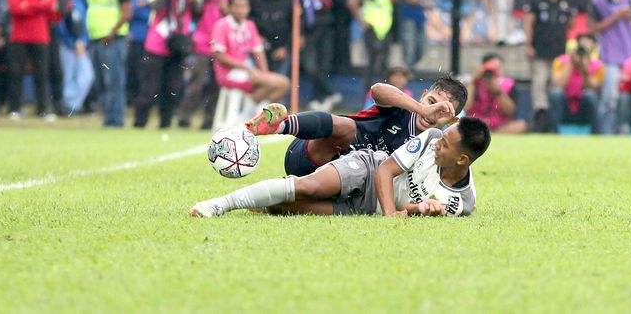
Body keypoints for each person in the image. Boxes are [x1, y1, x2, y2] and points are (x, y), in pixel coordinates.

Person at [189, 116, 490, 218]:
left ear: (462, 159)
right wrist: (390, 216)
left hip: (367, 208)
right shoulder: (433, 136)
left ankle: (268, 201)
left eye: (446, 146)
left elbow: (410, 211)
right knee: (307, 187)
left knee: (288, 208)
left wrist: (419, 210)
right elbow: (385, 171)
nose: (439, 143)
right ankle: (219, 205)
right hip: (367, 169)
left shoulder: (462, 202)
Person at [246, 75, 467, 177]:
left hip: (338, 181)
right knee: (348, 128)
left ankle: (275, 198)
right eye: (431, 102)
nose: (433, 112)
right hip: (309, 152)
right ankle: (278, 126)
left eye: (443, 111)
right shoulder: (401, 108)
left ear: (452, 120)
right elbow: (378, 89)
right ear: (423, 96)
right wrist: (421, 110)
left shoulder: (435, 149)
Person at [134, 0, 203, 129]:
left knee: (172, 88)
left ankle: (165, 123)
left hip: (178, 44)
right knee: (148, 88)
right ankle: (139, 123)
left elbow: (198, 11)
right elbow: (155, 7)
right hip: (156, 43)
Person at [587, 0, 631, 134]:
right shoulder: (598, 0)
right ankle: (606, 132)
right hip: (611, 53)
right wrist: (617, 15)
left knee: (629, 95)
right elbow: (592, 28)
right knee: (610, 95)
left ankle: (625, 130)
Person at [177, 0, 231, 130]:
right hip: (202, 42)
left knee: (216, 85)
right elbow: (196, 7)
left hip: (221, 46)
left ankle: (209, 120)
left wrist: (225, 7)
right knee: (196, 82)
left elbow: (234, 16)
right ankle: (184, 117)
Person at [211, 0, 290, 106]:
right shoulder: (221, 25)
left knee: (284, 84)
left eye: (244, 6)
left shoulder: (249, 26)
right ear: (229, 7)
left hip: (247, 71)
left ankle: (255, 115)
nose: (241, 10)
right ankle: (248, 117)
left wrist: (264, 73)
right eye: (237, 6)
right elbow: (219, 55)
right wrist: (246, 68)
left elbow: (258, 52)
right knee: (267, 84)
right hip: (228, 73)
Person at [523, 0, 577, 132]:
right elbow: (528, 23)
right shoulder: (536, 2)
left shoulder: (566, 3)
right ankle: (541, 114)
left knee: (555, 84)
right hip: (540, 50)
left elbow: (571, 24)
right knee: (539, 82)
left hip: (559, 52)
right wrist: (529, 45)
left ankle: (554, 118)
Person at [6, 0, 57, 120]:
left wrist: (28, 4)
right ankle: (14, 109)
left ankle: (43, 109)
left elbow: (51, 5)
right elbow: (15, 9)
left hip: (40, 36)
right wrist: (40, 4)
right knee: (15, 73)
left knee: (41, 73)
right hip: (19, 36)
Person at [86, 0, 132, 127]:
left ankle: (115, 119)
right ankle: (107, 117)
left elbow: (127, 12)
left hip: (112, 39)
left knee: (113, 80)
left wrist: (112, 32)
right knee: (100, 81)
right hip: (95, 38)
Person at [347, 0, 401, 92]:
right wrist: (362, 22)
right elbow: (352, 2)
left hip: (385, 30)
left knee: (384, 66)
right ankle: (368, 98)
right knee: (371, 66)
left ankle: (384, 98)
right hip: (373, 29)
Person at [301, 0, 341, 110]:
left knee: (324, 65)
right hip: (309, 30)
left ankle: (318, 98)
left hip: (326, 28)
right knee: (310, 65)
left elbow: (330, 0)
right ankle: (330, 92)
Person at [548, 34, 604, 134]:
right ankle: (553, 132)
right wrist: (571, 63)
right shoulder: (560, 61)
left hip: (583, 108)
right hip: (565, 106)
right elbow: (559, 85)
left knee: (590, 95)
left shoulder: (598, 66)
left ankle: (596, 133)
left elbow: (593, 87)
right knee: (556, 93)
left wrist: (585, 69)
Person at [248, 0, 292, 76]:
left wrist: (286, 48)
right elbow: (247, 23)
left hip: (281, 51)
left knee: (279, 85)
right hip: (258, 50)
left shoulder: (289, 1)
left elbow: (295, 27)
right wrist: (255, 38)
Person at [56, 0, 93, 114]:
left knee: (87, 75)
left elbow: (85, 23)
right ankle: (68, 106)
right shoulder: (61, 2)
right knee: (68, 76)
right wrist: (73, 43)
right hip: (67, 45)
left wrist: (82, 42)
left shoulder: (79, 1)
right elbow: (60, 26)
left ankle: (73, 104)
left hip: (81, 46)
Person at [466, 53, 527, 133]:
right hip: (476, 124)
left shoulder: (508, 84)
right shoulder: (473, 83)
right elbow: (466, 107)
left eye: (498, 68)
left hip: (499, 125)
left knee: (521, 125)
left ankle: (489, 134)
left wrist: (498, 92)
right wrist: (472, 82)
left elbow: (510, 111)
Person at [127, 0, 159, 105]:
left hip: (157, 38)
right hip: (139, 35)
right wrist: (149, 8)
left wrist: (147, 6)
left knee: (152, 73)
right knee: (136, 71)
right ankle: (134, 102)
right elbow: (133, 10)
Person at [43, 0, 73, 116]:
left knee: (56, 69)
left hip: (57, 31)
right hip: (40, 28)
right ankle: (43, 104)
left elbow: (63, 9)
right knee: (42, 69)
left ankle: (58, 104)